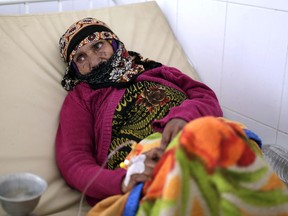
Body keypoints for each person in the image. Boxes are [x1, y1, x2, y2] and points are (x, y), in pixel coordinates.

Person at [55, 17, 223, 207]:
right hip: (143, 171)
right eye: (81, 58)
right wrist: (124, 180)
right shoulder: (81, 98)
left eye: (97, 45)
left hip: (194, 139)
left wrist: (183, 118)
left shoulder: (153, 69)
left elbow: (205, 97)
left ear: (113, 41)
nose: (93, 62)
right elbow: (73, 161)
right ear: (74, 69)